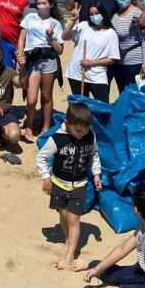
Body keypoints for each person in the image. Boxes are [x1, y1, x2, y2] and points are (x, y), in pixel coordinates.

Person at [36, 103, 101, 270]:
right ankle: (68, 238)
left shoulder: (90, 136)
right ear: (67, 123)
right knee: (63, 213)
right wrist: (45, 177)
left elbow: (94, 155)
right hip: (59, 184)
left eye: (85, 130)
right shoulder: (57, 139)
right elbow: (41, 157)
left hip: (79, 184)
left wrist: (96, 174)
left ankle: (70, 255)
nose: (81, 134)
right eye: (78, 130)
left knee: (73, 218)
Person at [18, 0, 64, 140]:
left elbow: (60, 50)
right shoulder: (29, 18)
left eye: (44, 3)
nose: (41, 6)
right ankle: (29, 126)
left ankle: (45, 126)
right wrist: (20, 56)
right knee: (31, 99)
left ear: (50, 5)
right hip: (32, 59)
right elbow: (21, 39)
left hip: (49, 59)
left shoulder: (55, 23)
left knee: (46, 95)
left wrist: (51, 38)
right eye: (38, 3)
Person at [64, 4, 119, 102]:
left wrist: (92, 63)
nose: (94, 16)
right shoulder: (84, 25)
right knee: (80, 106)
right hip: (76, 74)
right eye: (91, 14)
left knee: (102, 105)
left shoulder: (111, 33)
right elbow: (65, 36)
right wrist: (72, 21)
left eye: (97, 13)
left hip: (97, 76)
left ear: (103, 14)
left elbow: (113, 59)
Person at [110, 0, 145, 94]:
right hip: (120, 63)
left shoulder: (137, 13)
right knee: (124, 94)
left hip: (136, 63)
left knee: (138, 96)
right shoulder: (114, 16)